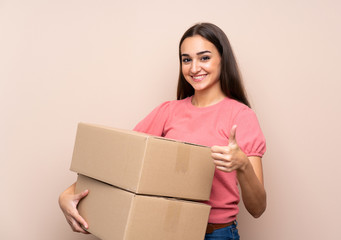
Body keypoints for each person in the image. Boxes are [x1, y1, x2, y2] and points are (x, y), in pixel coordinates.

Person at [59, 22, 266, 240]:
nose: (194, 68)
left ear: (223, 60)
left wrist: (242, 165)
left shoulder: (241, 116)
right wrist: (66, 194)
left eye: (204, 57)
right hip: (166, 232)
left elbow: (258, 208)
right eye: (187, 59)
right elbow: (122, 164)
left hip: (215, 234)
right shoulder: (168, 112)